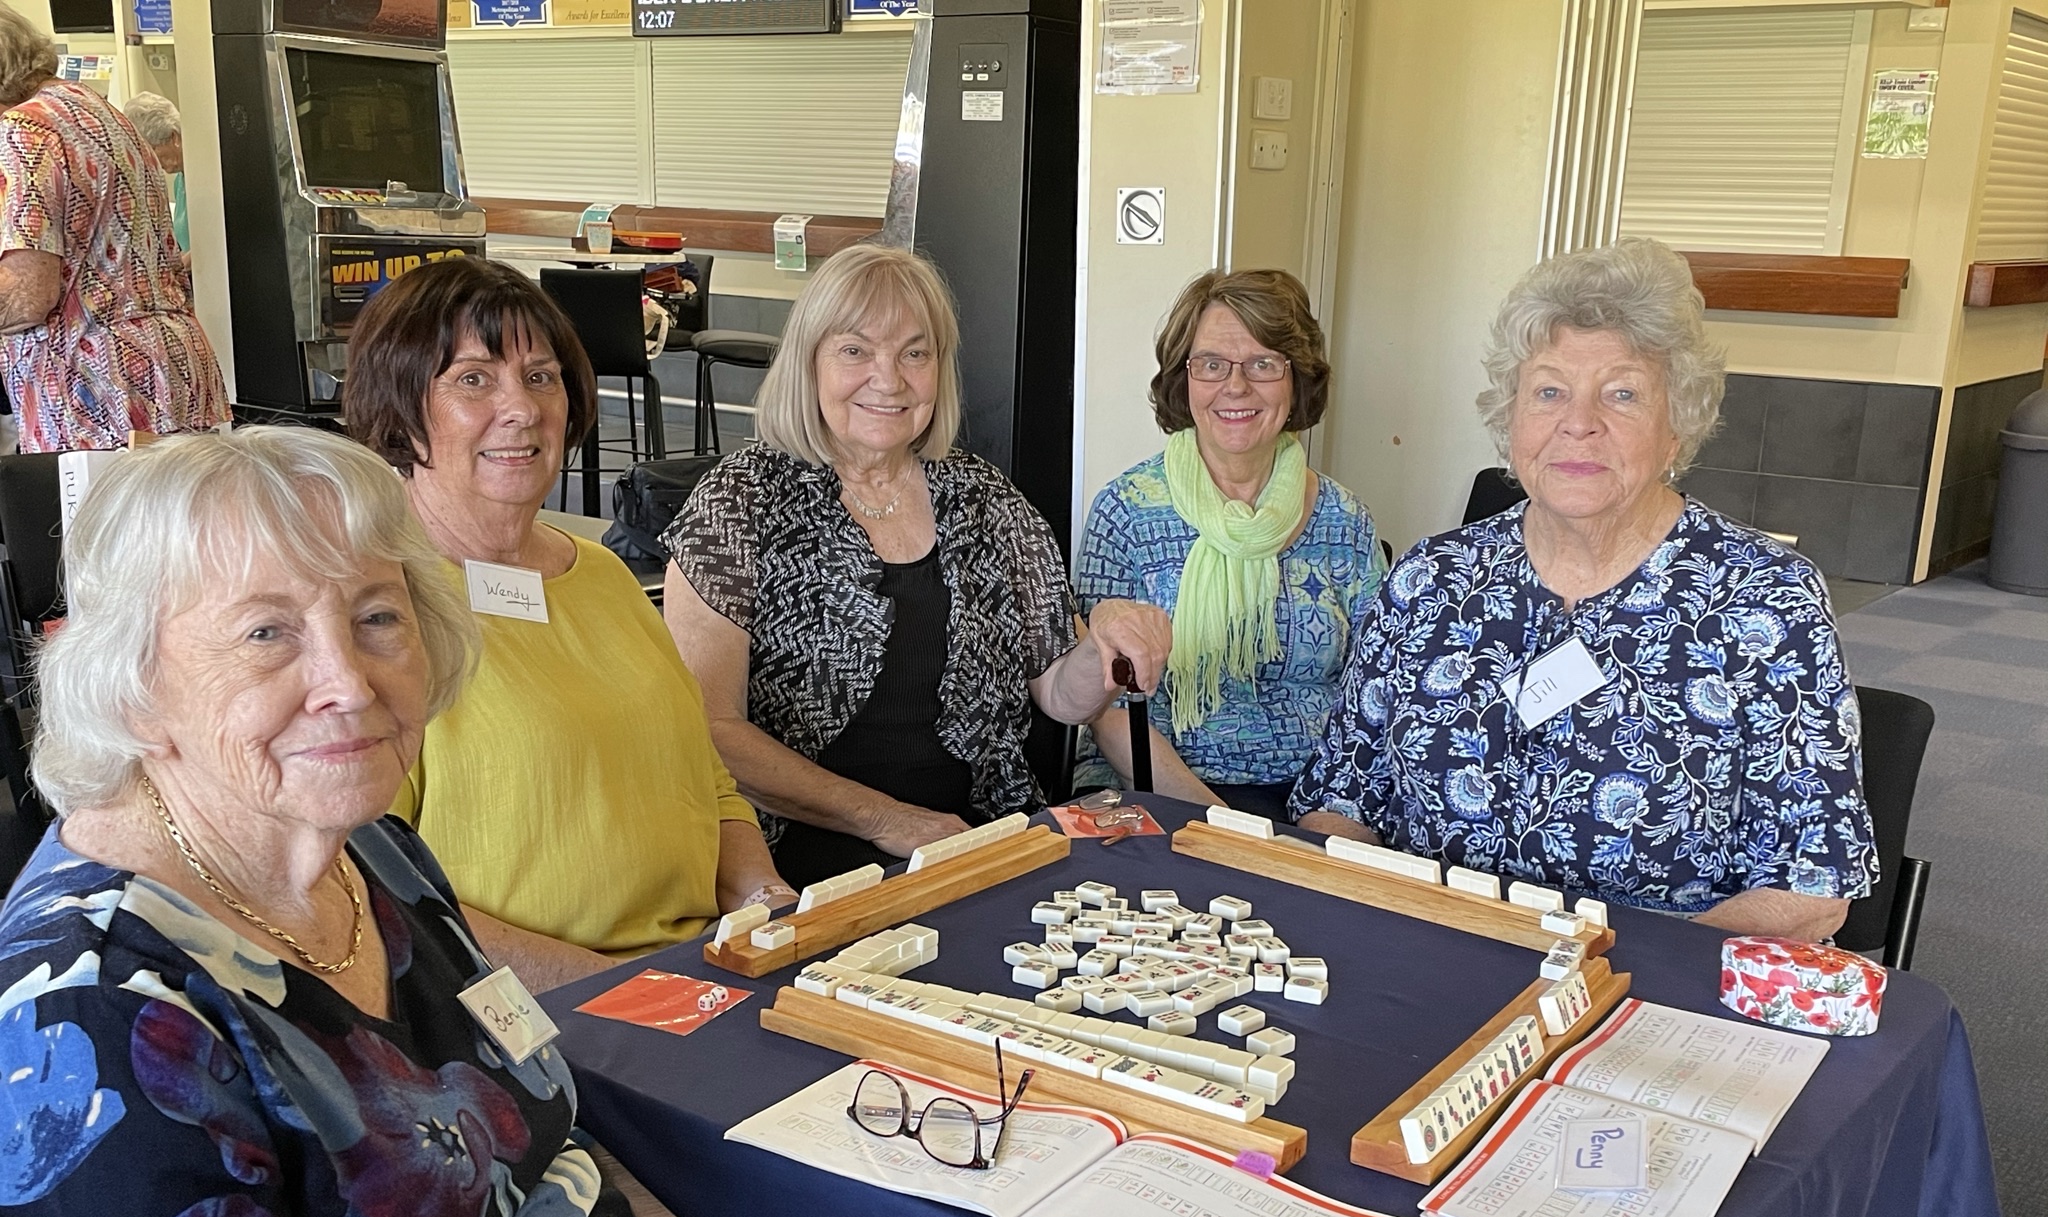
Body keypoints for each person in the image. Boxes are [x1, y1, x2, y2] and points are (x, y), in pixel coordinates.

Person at [0, 427, 1167, 1217]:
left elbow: (550, 1155)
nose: (347, 679)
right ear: (134, 683)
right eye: (266, 634)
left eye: (374, 616)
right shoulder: (102, 1021)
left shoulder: (370, 857)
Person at [1290, 237, 1877, 941]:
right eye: (1549, 392)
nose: (1579, 422)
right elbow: (1341, 798)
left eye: (1622, 394)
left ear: (1677, 426)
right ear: (1510, 419)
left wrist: (1612, 975)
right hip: (1436, 953)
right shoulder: (1431, 579)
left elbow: (1811, 885)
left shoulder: (1765, 599)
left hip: (1654, 979)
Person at [662, 244, 1173, 891]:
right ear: (808, 362)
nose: (890, 379)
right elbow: (709, 729)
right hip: (793, 855)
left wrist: (1102, 645)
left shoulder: (985, 498)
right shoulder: (740, 502)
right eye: (855, 350)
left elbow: (1061, 695)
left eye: (914, 353)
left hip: (975, 838)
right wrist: (889, 821)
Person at [346, 257, 794, 990]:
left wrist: (765, 904)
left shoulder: (605, 575)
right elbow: (373, 890)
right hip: (528, 1008)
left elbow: (706, 781)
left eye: (540, 376)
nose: (521, 408)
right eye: (473, 379)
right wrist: (622, 993)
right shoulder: (378, 611)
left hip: (697, 976)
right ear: (399, 408)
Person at [1073, 269, 1385, 823]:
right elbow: (1105, 709)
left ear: (1297, 381)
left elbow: (1374, 697)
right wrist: (1226, 828)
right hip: (1157, 792)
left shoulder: (1347, 521)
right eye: (1211, 364)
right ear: (1183, 379)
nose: (1235, 386)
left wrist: (1332, 819)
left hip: (1315, 799)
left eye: (1263, 363)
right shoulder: (1126, 511)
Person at [0, 8, 225, 451]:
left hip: (93, 389)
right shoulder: (101, 113)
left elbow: (27, 295)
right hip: (172, 370)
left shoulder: (23, 129)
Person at [119, 90, 188, 257]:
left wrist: (184, 262)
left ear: (174, 138)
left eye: (153, 150)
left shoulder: (207, 178)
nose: (152, 162)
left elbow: (218, 239)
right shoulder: (180, 181)